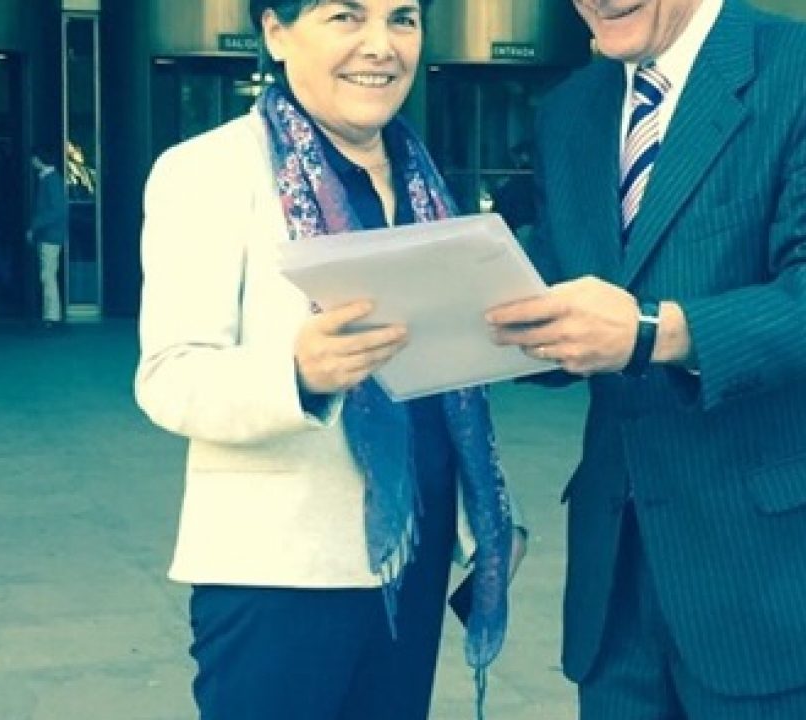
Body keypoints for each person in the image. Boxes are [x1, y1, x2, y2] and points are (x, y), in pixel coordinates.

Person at [487, 1, 806, 717]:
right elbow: (574, 299)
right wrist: (474, 326)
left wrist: (651, 331)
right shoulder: (569, 110)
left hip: (788, 577)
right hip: (619, 584)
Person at [133, 2, 522, 719]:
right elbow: (170, 375)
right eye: (346, 16)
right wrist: (297, 373)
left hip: (414, 553)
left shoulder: (421, 175)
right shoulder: (208, 170)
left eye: (402, 19)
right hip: (281, 573)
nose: (380, 46)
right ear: (276, 32)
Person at [26, 146, 69, 327]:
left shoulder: (50, 181)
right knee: (48, 274)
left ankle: (51, 315)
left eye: (33, 158)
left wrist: (34, 225)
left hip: (50, 235)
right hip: (50, 234)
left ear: (39, 159)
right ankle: (50, 314)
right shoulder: (51, 179)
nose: (31, 161)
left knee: (48, 275)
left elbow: (57, 210)